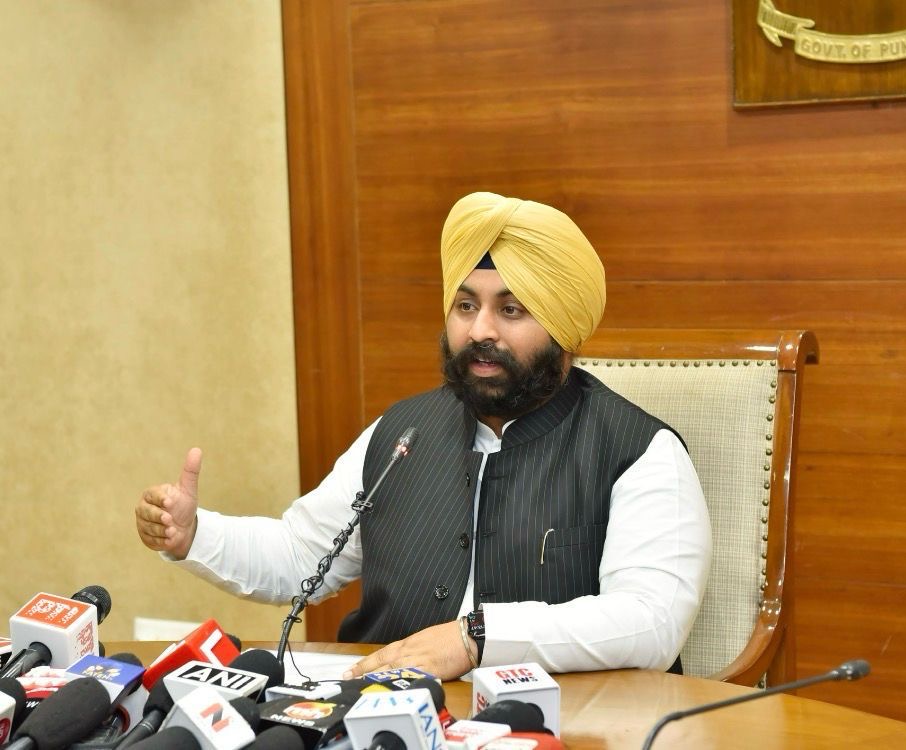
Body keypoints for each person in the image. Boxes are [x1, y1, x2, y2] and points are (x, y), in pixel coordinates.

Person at [135, 191, 712, 681]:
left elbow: (650, 622)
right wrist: (193, 534)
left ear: (565, 328)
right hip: (378, 715)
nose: (480, 330)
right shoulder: (401, 433)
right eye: (466, 305)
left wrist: (476, 639)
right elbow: (298, 556)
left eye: (511, 310)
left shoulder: (639, 452)